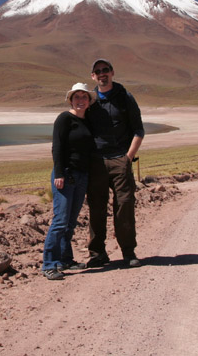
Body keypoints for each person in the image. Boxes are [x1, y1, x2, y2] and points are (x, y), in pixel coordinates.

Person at [86, 59, 145, 268]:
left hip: (120, 159)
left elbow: (139, 130)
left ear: (112, 72)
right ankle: (97, 253)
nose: (102, 74)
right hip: (97, 162)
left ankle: (128, 252)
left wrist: (128, 158)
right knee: (96, 208)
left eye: (105, 70)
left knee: (124, 206)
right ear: (93, 76)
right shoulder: (90, 100)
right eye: (98, 71)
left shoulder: (124, 97)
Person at [42, 82, 96, 281]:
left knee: (70, 222)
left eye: (84, 97)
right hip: (64, 175)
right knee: (60, 220)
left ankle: (66, 259)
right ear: (70, 100)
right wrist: (58, 174)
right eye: (77, 97)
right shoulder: (64, 118)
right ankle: (49, 264)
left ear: (89, 101)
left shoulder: (88, 121)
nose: (80, 100)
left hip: (81, 176)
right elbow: (57, 147)